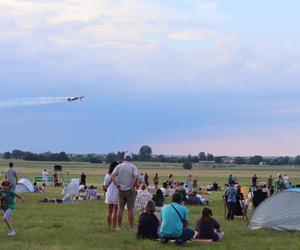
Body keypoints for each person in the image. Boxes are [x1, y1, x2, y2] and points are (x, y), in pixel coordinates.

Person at [111, 152, 139, 229]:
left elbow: (112, 176)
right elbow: (136, 176)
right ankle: (131, 227)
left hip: (120, 190)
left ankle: (119, 226)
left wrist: (117, 185)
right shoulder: (133, 167)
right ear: (131, 159)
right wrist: (133, 186)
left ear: (124, 158)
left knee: (120, 209)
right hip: (130, 190)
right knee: (130, 209)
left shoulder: (118, 166)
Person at [103, 161, 119, 229]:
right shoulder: (118, 176)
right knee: (115, 211)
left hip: (109, 194)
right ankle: (114, 227)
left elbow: (104, 186)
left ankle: (109, 226)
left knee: (109, 211)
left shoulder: (107, 175)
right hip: (116, 194)